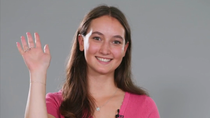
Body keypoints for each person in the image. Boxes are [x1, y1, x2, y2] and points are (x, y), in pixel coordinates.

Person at [17, 5, 160, 118]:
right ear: (81, 42)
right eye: (97, 38)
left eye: (116, 42)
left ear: (125, 49)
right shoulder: (57, 103)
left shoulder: (144, 106)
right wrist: (37, 74)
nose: (105, 50)